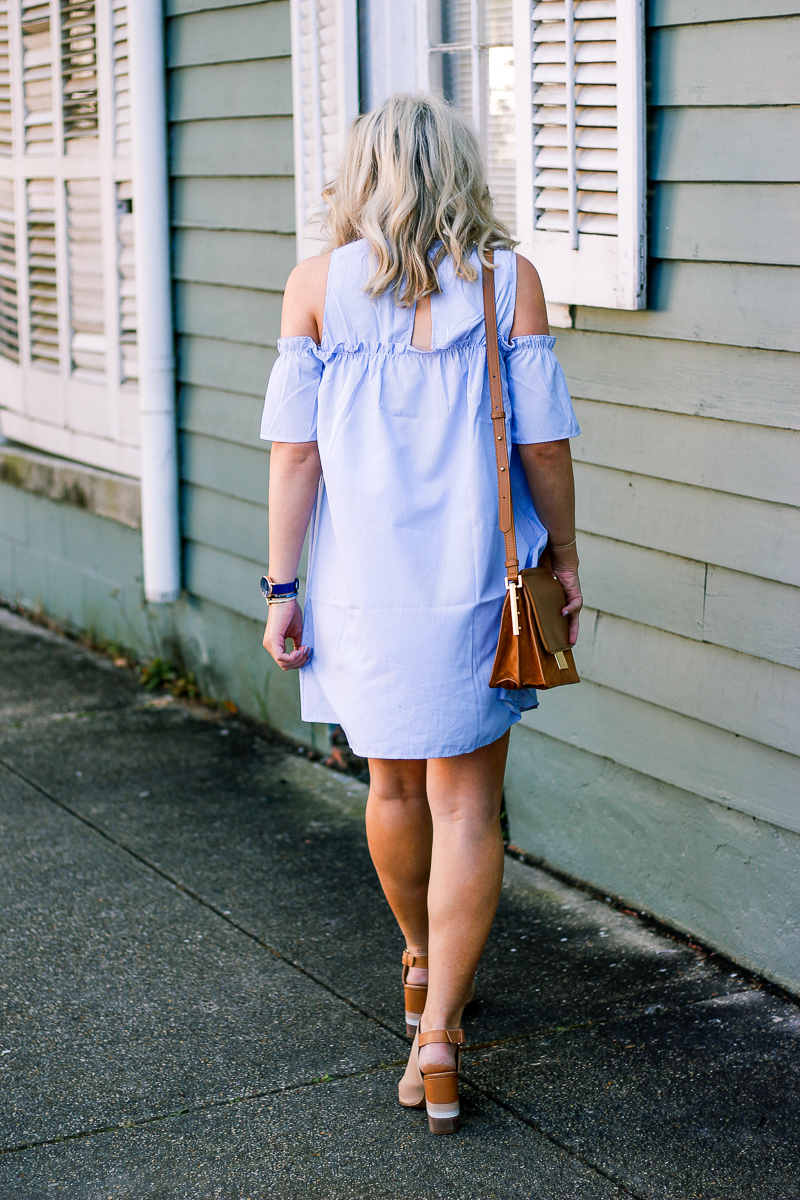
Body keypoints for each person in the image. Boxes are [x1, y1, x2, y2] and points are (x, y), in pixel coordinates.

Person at [260, 93, 583, 1136]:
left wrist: (280, 589)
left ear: (359, 176)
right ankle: (437, 1033)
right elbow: (538, 447)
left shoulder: (313, 287)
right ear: (457, 171)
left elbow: (294, 456)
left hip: (361, 584)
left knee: (392, 786)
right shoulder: (507, 280)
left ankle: (414, 962)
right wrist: (567, 556)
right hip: (477, 581)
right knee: (466, 807)